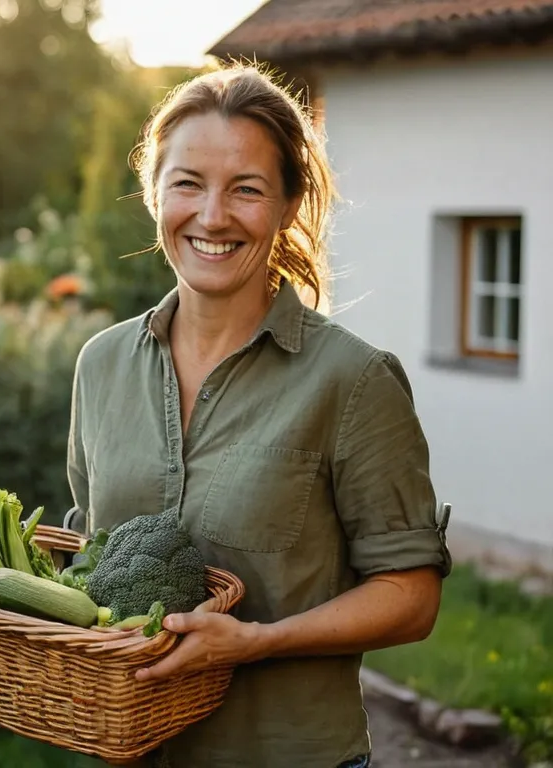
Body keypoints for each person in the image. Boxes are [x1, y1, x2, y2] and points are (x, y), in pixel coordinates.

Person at [63, 62, 452, 768]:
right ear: (153, 192)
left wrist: (259, 641)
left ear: (286, 204)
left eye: (246, 189)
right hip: (128, 754)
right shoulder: (101, 365)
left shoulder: (354, 381)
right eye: (187, 183)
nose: (212, 216)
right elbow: (92, 555)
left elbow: (411, 595)